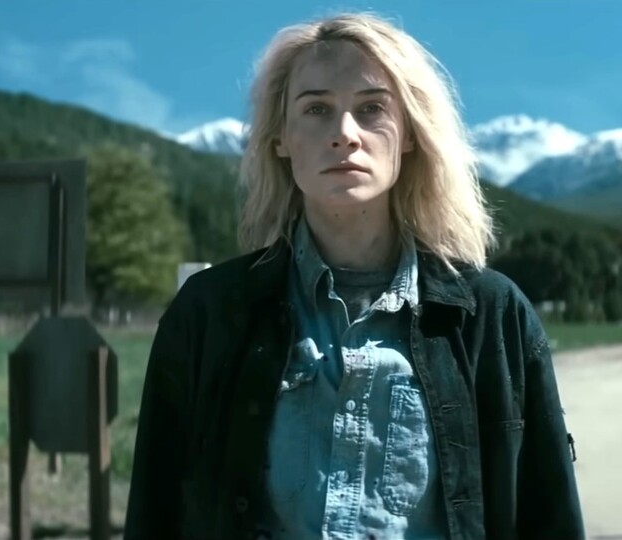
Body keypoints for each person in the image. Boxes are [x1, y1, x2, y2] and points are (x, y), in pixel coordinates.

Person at [124, 12, 584, 540]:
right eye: (317, 109)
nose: (345, 134)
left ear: (409, 133)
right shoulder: (209, 312)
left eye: (371, 109)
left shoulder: (492, 315)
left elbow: (548, 516)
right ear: (280, 138)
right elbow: (154, 511)